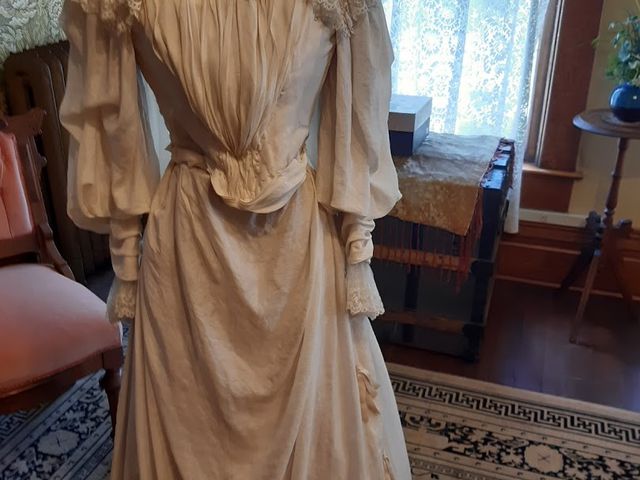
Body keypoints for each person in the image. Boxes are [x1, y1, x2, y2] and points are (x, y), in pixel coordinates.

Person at [60, 0, 411, 478]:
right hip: (189, 252)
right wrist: (124, 254)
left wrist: (357, 243)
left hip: (294, 253)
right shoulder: (118, 5)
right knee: (188, 410)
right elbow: (117, 137)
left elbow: (356, 124)